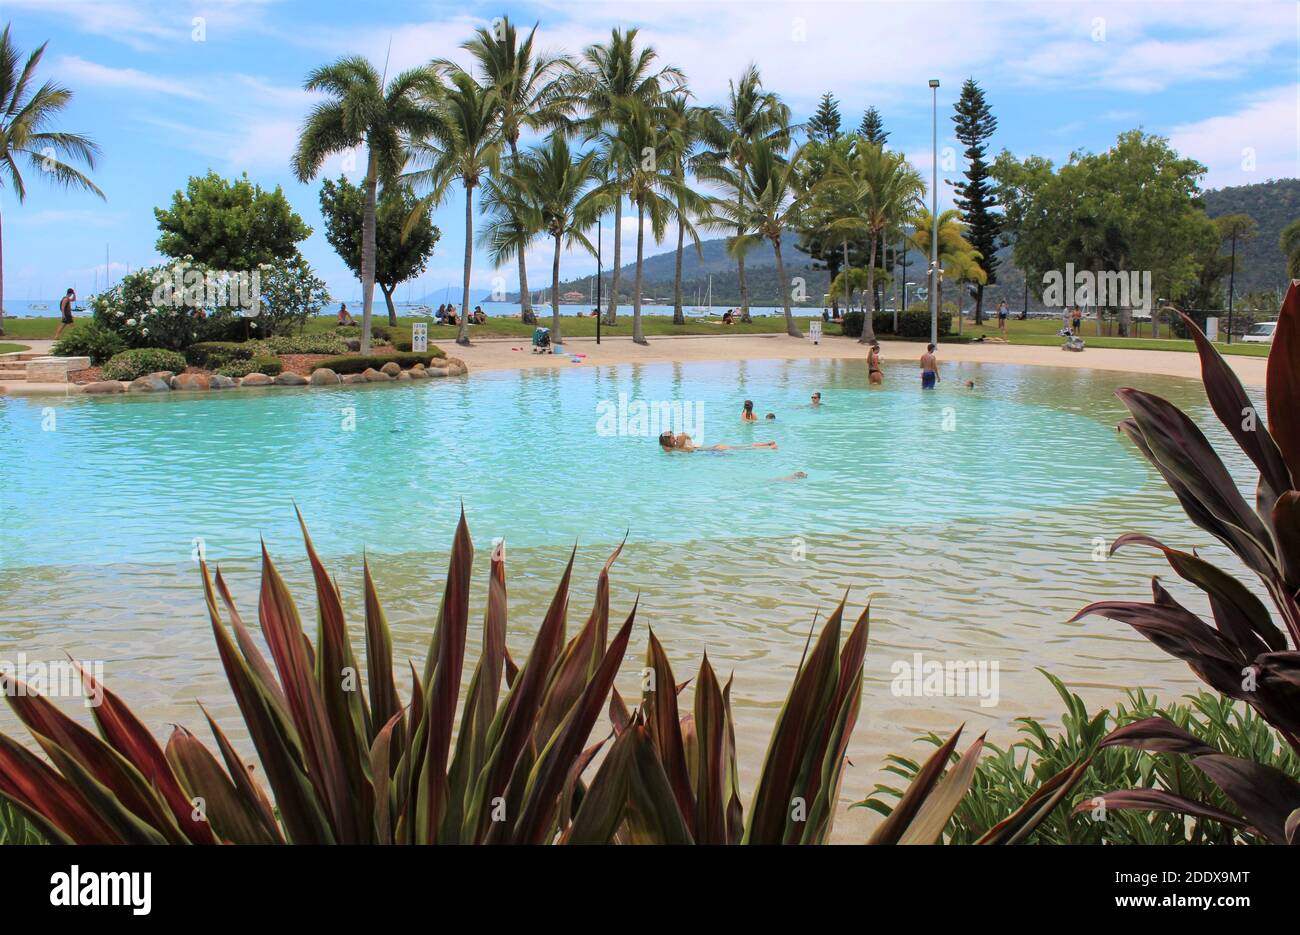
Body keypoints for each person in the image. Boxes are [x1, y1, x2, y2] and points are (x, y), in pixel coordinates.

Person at [659, 431, 777, 452]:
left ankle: (768, 447)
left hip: (711, 450)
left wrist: (681, 439)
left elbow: (689, 450)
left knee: (744, 448)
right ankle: (767, 444)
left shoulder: (678, 448)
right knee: (742, 447)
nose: (674, 437)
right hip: (712, 448)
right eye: (672, 437)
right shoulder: (677, 447)